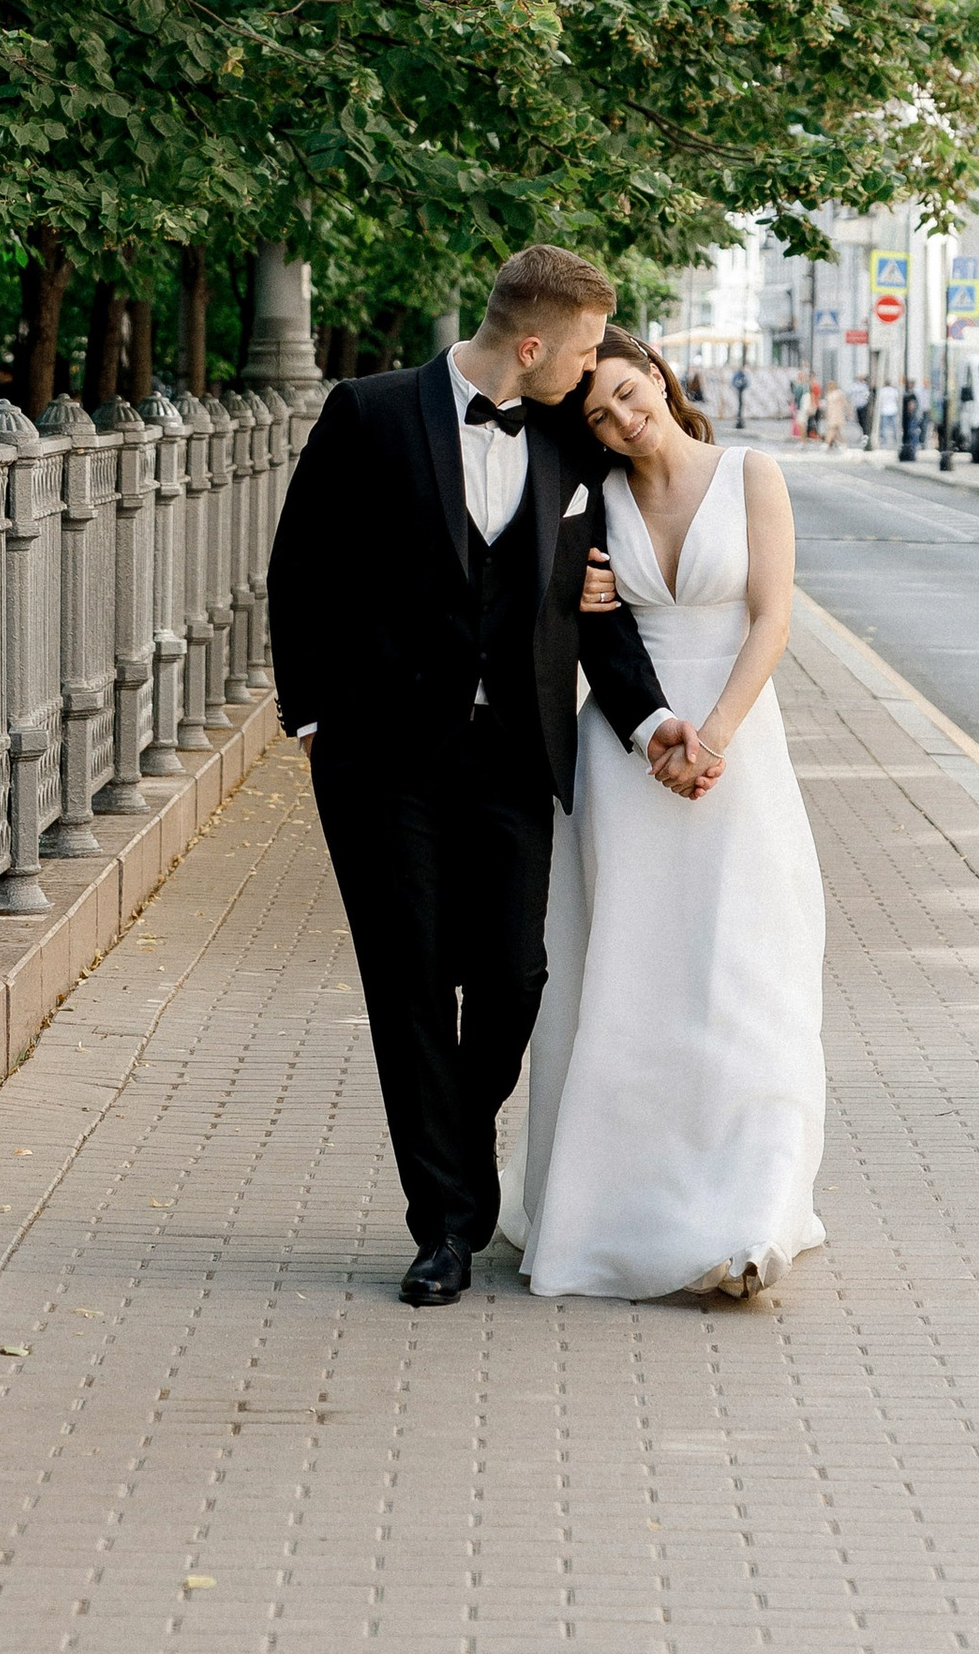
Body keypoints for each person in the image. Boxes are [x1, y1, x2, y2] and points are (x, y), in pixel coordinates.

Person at [266, 245, 712, 1311]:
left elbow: (592, 609)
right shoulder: (366, 415)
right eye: (584, 348)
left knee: (512, 977)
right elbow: (300, 569)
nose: (593, 366)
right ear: (530, 344)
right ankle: (446, 1229)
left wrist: (651, 715)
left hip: (516, 755)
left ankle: (456, 1157)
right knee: (410, 988)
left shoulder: (566, 437)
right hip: (381, 761)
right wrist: (315, 718)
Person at [507, 324, 826, 1302]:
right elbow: (587, 640)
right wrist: (653, 731)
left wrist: (715, 737)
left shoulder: (751, 475)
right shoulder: (592, 504)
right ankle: (615, 1205)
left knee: (747, 977)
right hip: (631, 761)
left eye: (626, 395)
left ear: (655, 373)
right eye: (598, 416)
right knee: (631, 980)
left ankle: (751, 1216)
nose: (620, 420)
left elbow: (772, 615)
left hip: (737, 752)